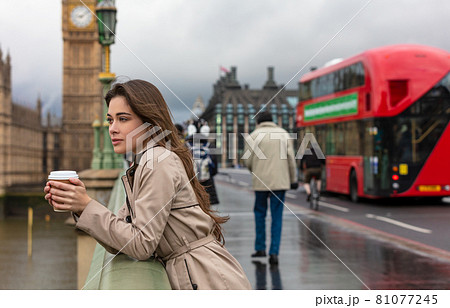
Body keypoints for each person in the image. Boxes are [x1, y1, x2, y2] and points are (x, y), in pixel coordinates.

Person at [44, 79, 251, 290]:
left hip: (209, 279)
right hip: (200, 272)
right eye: (110, 120)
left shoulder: (157, 162)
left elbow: (141, 244)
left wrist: (87, 205)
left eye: (123, 119)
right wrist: (80, 206)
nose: (112, 129)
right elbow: (122, 237)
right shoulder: (144, 162)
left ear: (149, 121)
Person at [242, 111, 297, 265]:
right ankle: (274, 253)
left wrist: (256, 170)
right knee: (276, 216)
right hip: (280, 182)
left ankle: (260, 248)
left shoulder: (253, 136)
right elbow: (291, 159)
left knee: (259, 214)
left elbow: (246, 160)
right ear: (272, 121)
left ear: (258, 122)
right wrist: (293, 179)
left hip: (260, 182)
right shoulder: (284, 134)